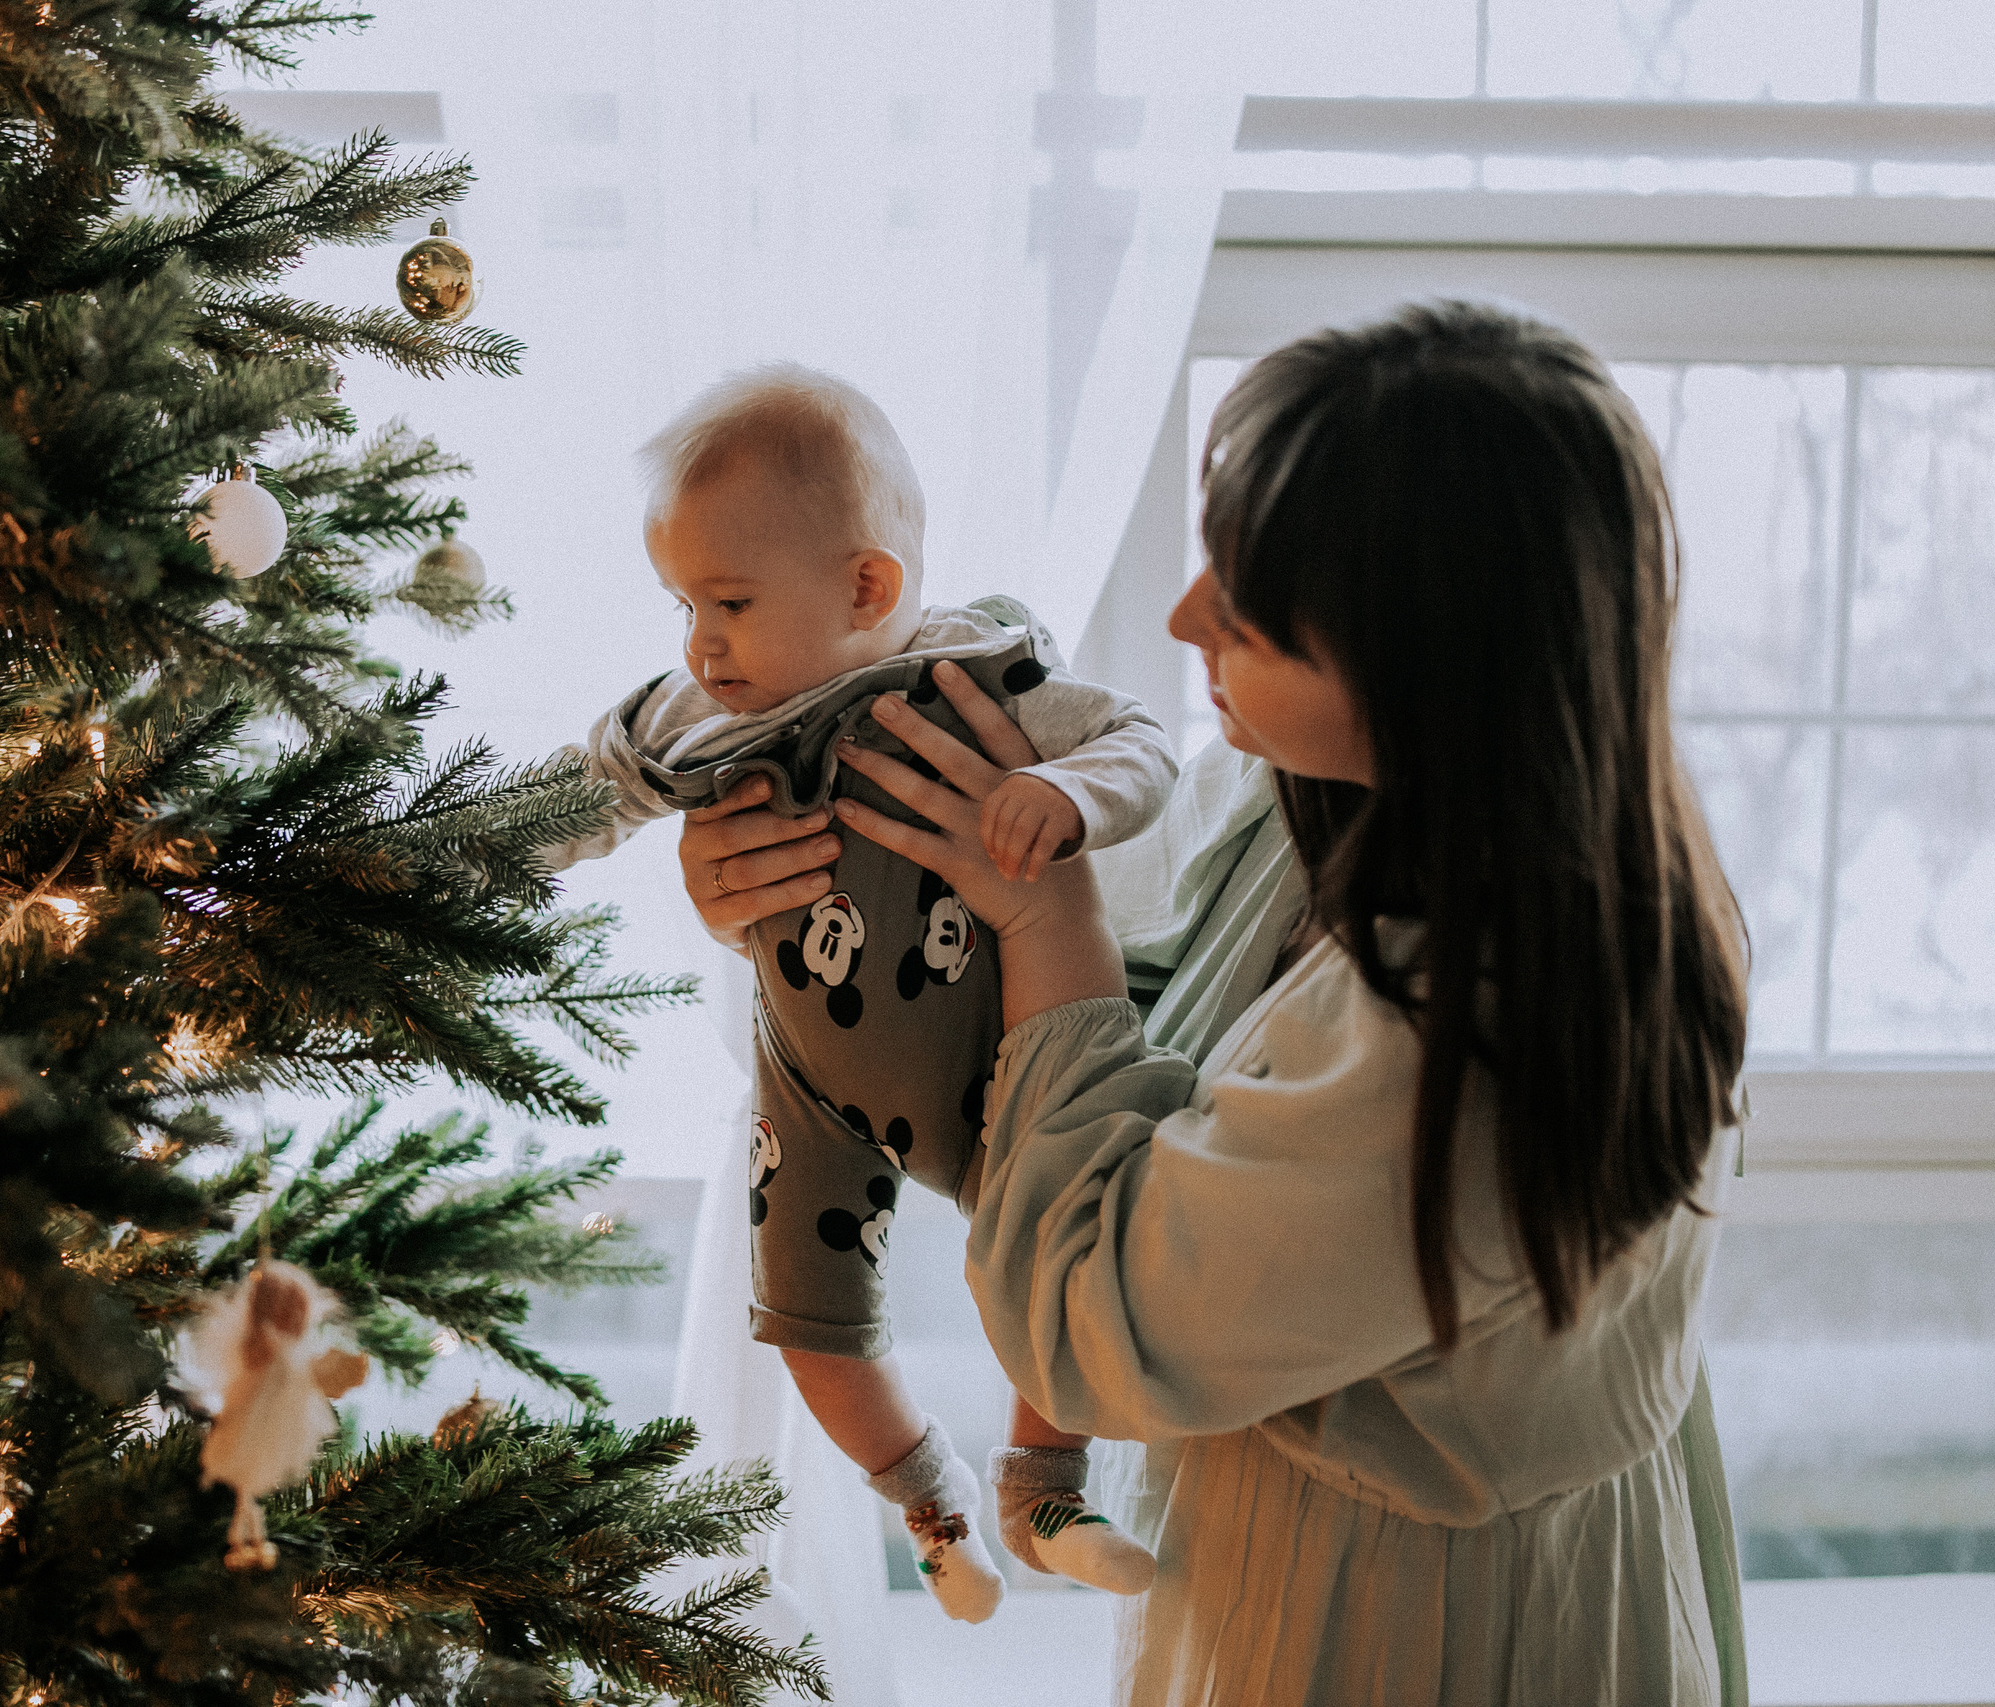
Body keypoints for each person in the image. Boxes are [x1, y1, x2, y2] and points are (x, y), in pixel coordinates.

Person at [677, 302, 1752, 1702]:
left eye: (1243, 608)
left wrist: (1041, 901)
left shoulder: (1478, 1034)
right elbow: (1079, 1021)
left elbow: (1091, 1319)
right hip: (1336, 1556)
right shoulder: (1328, 808)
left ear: (1421, 653)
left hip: (1417, 1627)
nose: (1184, 619)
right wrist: (788, 880)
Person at [547, 364, 1180, 1620]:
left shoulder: (972, 683)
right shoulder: (694, 718)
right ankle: (932, 1504)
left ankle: (1044, 1487)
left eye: (726, 601)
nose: (697, 644)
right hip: (812, 1081)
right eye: (680, 604)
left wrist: (1061, 798)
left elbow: (1143, 744)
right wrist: (437, 859)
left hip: (1002, 1066)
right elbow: (585, 791)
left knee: (1049, 1258)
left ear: (867, 587)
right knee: (804, 1322)